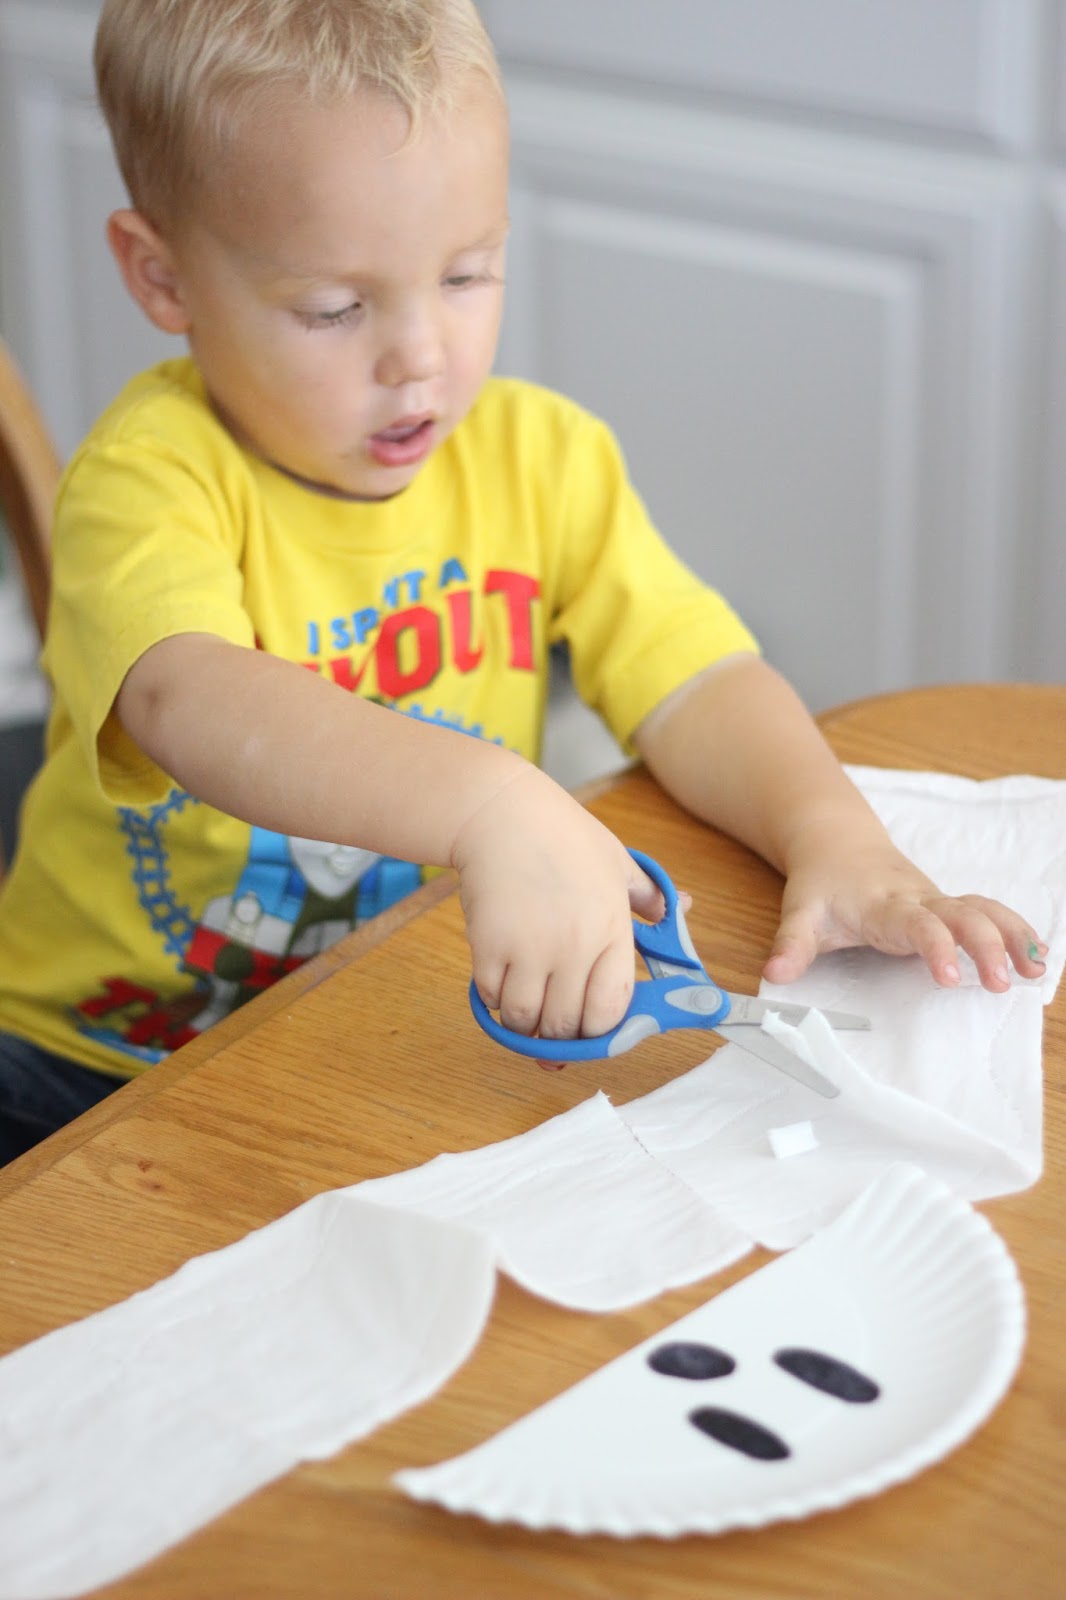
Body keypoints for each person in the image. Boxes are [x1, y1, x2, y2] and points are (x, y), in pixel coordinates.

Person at [0, 0, 1046, 1164]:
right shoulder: (146, 479)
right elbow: (186, 698)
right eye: (334, 307)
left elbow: (695, 676)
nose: (420, 356)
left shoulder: (545, 459)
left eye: (466, 274)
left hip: (372, 1022)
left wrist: (836, 838)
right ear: (164, 277)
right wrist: (495, 800)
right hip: (89, 1063)